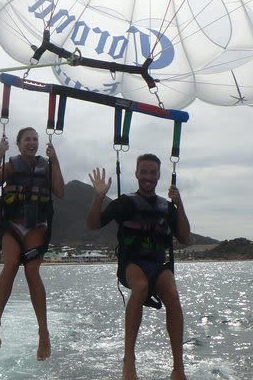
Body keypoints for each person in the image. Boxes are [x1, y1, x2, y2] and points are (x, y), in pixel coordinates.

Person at [86, 154, 191, 380]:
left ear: (159, 175)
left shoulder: (167, 207)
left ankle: (178, 368)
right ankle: (129, 361)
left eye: (153, 172)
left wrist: (179, 203)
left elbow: (185, 238)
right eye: (144, 172)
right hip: (131, 265)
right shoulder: (125, 203)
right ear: (136, 173)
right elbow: (93, 224)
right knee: (141, 286)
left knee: (172, 295)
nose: (148, 177)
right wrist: (98, 197)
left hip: (157, 265)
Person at [0, 126, 65, 360]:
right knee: (10, 264)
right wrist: (0, 153)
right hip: (13, 225)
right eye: (27, 139)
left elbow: (59, 191)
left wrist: (56, 160)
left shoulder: (46, 166)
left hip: (36, 226)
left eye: (35, 139)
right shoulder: (11, 165)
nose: (32, 143)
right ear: (19, 144)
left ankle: (43, 332)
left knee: (32, 271)